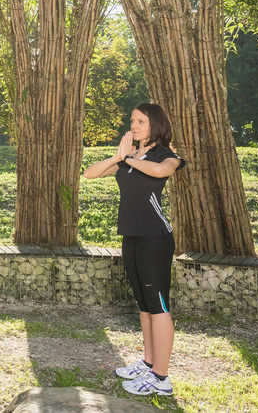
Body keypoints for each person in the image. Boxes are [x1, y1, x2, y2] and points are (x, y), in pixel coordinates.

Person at [83, 102, 185, 397]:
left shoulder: (167, 156)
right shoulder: (129, 157)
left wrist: (129, 158)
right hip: (132, 236)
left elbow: (157, 171)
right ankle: (148, 363)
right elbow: (90, 173)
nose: (134, 126)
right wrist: (119, 156)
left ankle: (161, 379)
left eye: (141, 121)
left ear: (155, 124)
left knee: (159, 305)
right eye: (132, 121)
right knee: (143, 305)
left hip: (155, 238)